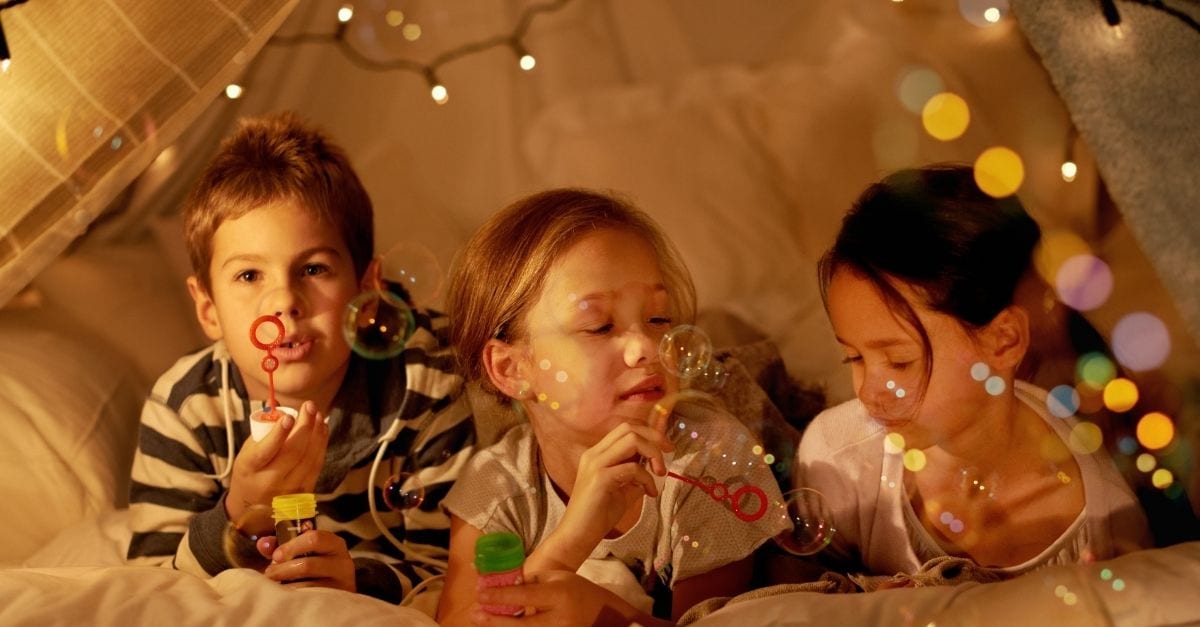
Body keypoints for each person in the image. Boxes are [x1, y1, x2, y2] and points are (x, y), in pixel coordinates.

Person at [125, 111, 475, 604]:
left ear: (367, 288)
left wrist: (359, 581)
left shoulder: (425, 382)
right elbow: (150, 588)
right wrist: (240, 507)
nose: (284, 301)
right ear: (208, 309)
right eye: (249, 276)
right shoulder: (186, 407)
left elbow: (448, 573)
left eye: (313, 268)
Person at [436, 189, 787, 625]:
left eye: (659, 319)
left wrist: (604, 615)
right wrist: (569, 544)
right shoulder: (493, 484)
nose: (645, 347)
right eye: (599, 326)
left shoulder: (709, 459)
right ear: (511, 369)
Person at [794, 164, 1151, 579]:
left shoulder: (1107, 524)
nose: (868, 392)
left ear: (1003, 341)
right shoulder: (838, 460)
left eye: (899, 362)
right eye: (853, 358)